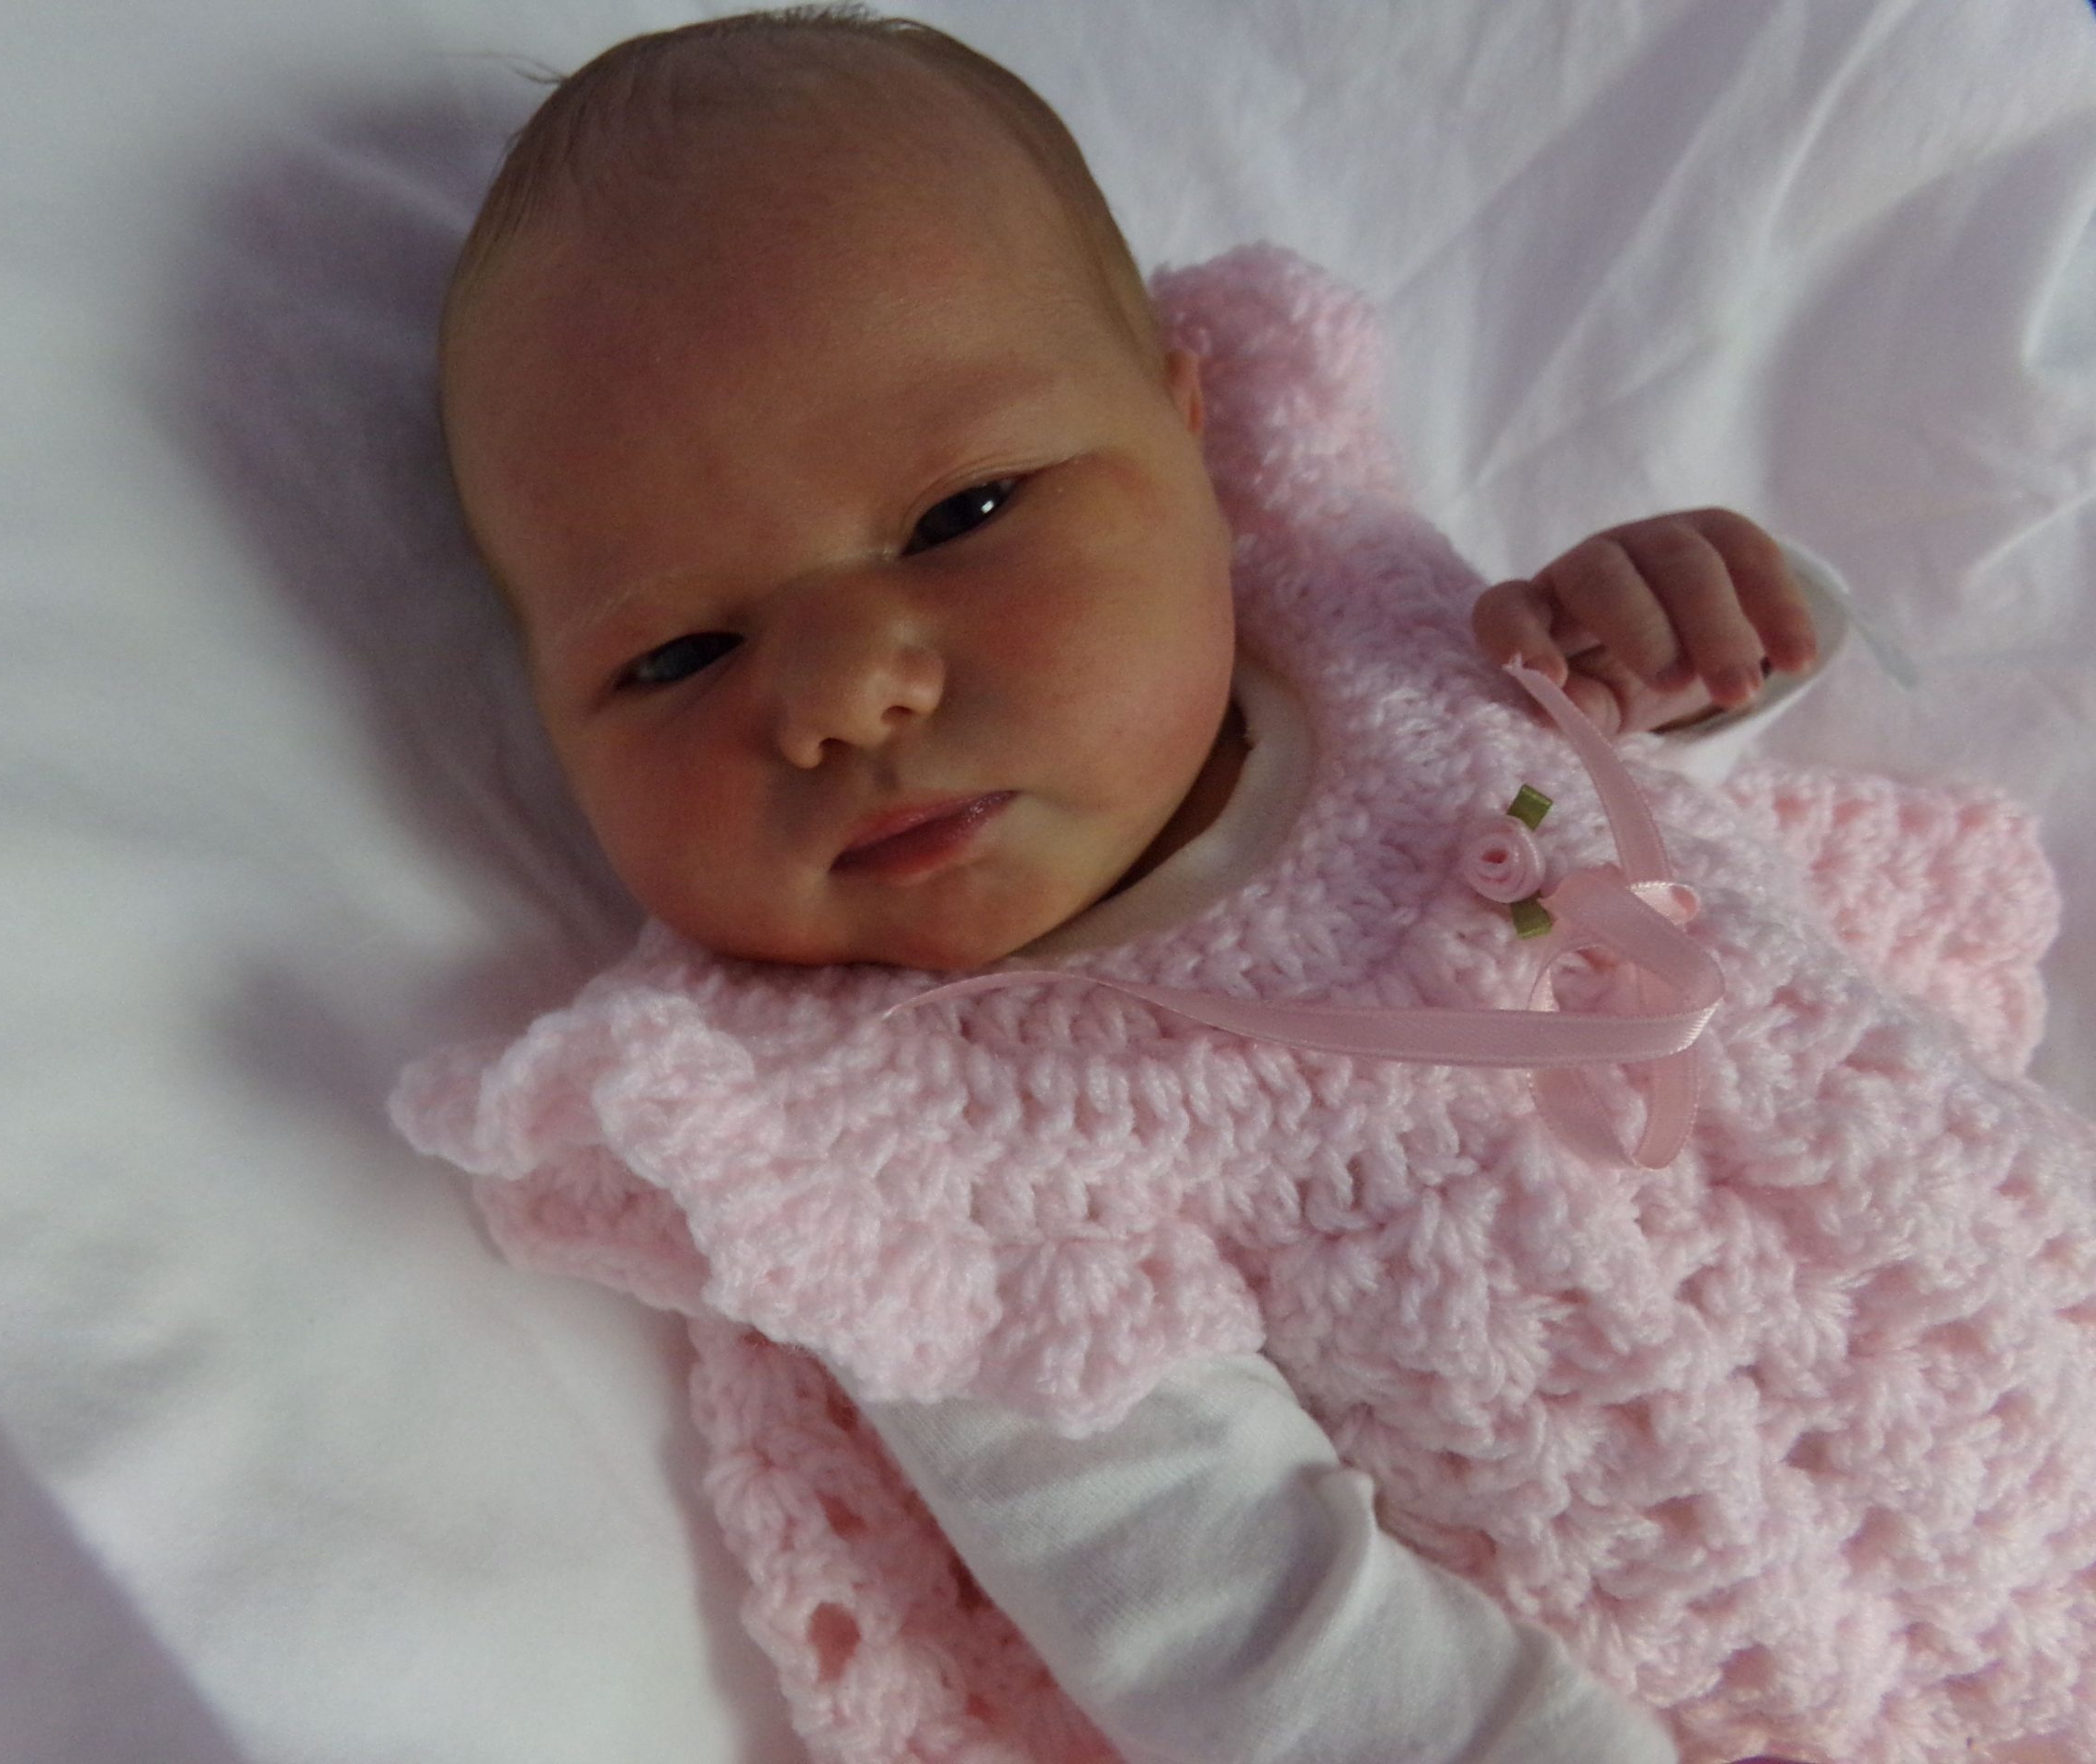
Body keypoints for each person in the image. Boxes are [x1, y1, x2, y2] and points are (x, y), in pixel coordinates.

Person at [399, 9, 2091, 1761]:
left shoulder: (1376, 614)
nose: (843, 693)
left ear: (1188, 444)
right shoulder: (926, 1158)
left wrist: (1702, 628)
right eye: (679, 654)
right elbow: (1257, 1636)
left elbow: (1678, 815)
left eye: (961, 515)